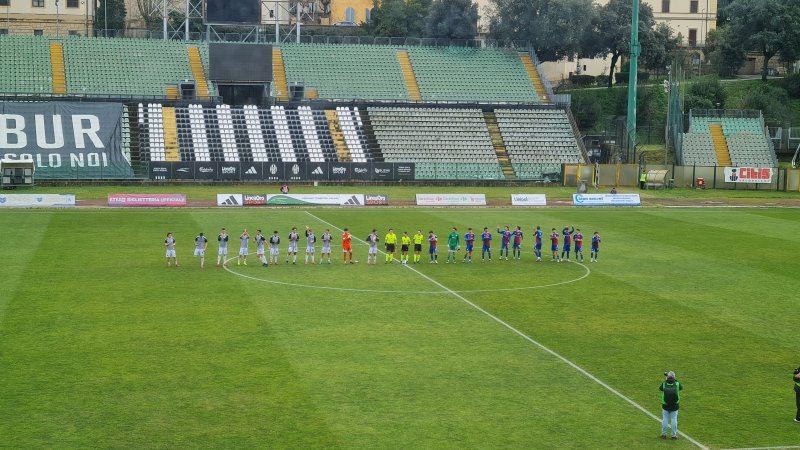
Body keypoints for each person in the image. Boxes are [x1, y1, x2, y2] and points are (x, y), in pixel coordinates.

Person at [660, 371, 683, 440]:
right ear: (674, 377)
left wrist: (666, 380)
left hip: (665, 405)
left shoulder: (664, 384)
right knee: (674, 419)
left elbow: (660, 389)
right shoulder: (677, 384)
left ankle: (663, 435)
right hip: (675, 405)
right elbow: (681, 387)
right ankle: (673, 435)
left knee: (665, 419)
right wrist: (675, 380)